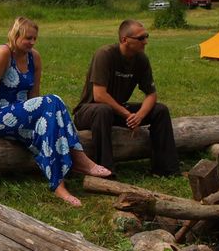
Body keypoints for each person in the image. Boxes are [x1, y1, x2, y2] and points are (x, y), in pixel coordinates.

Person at [0, 17, 111, 207]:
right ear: (15, 35)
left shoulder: (34, 57)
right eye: (28, 38)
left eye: (35, 38)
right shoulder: (3, 53)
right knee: (53, 100)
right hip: (0, 117)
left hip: (24, 114)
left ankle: (58, 185)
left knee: (48, 125)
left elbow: (34, 96)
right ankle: (79, 158)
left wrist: (41, 120)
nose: (32, 42)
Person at [72, 19, 178, 176]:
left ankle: (166, 169)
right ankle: (106, 170)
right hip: (89, 111)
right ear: (124, 40)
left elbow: (151, 94)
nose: (146, 42)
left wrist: (139, 116)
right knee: (103, 110)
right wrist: (127, 114)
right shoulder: (105, 54)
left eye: (146, 36)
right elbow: (99, 95)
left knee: (160, 110)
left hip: (116, 110)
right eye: (141, 38)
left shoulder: (141, 59)